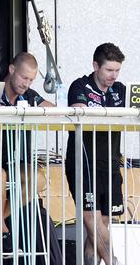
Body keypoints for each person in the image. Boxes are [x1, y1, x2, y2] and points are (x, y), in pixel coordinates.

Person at [0, 52, 54, 253]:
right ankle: (1, 232)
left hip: (9, 163)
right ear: (11, 70)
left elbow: (55, 110)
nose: (26, 84)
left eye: (31, 80)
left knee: (39, 179)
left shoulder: (29, 96)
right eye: (23, 77)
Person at [66, 43, 126, 265]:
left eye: (117, 70)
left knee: (101, 224)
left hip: (110, 163)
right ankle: (114, 261)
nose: (114, 75)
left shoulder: (121, 90)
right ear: (95, 66)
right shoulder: (80, 85)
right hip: (84, 162)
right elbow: (80, 109)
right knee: (91, 218)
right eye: (109, 70)